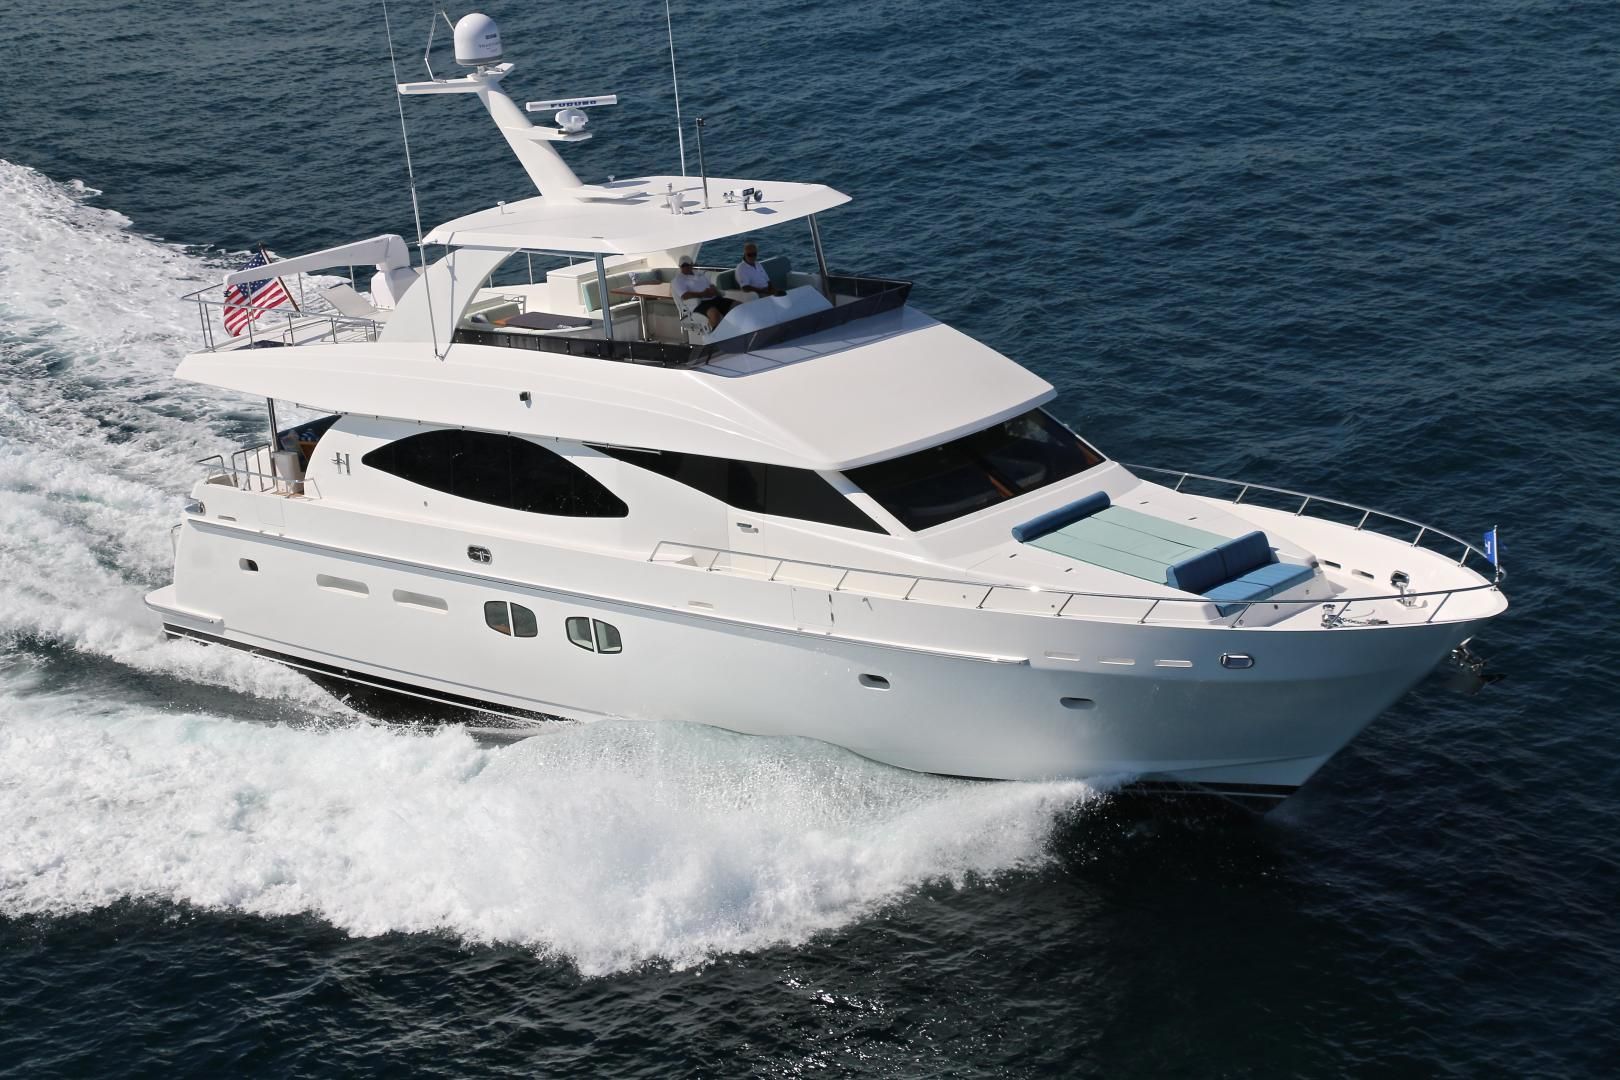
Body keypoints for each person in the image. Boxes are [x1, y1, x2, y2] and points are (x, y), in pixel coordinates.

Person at [672, 256, 736, 331]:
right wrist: (703, 294)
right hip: (700, 304)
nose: (685, 267)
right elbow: (685, 295)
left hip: (714, 298)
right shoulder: (678, 280)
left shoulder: (699, 273)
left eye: (687, 265)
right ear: (680, 266)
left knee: (737, 306)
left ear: (692, 265)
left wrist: (714, 290)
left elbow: (710, 285)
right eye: (683, 266)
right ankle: (714, 338)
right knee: (714, 315)